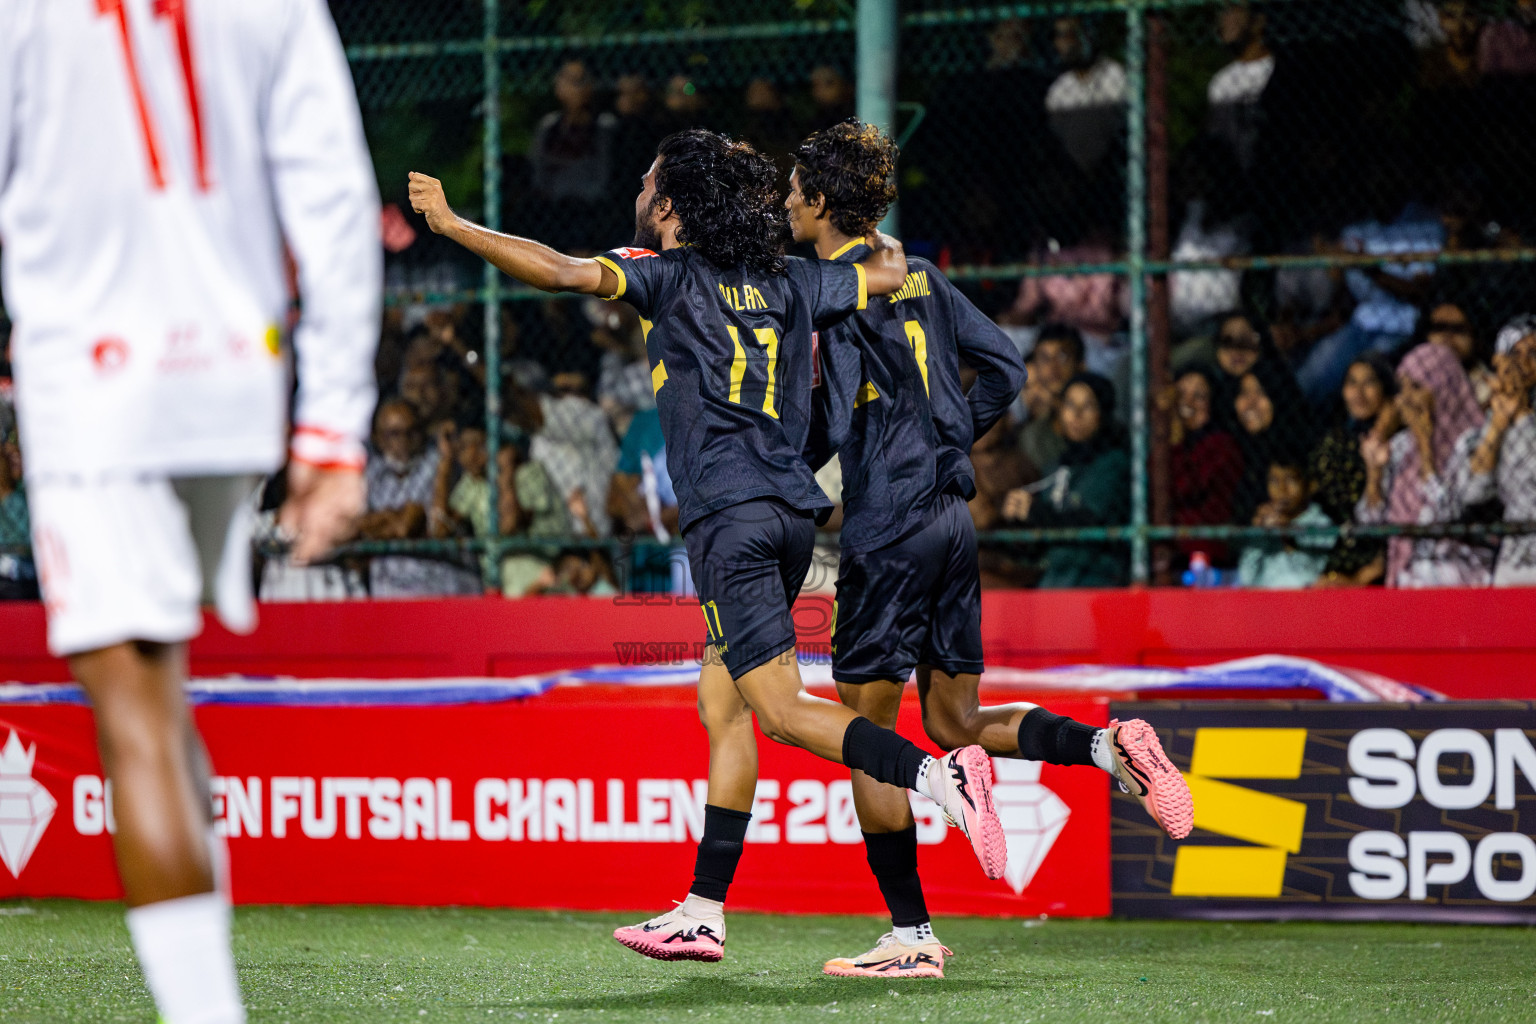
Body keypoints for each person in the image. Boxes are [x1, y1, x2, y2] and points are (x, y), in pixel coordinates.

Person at [409, 128, 1010, 962]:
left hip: (730, 521)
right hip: (792, 516)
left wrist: (452, 225)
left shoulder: (664, 274)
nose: (639, 188)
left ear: (668, 205)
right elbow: (884, 270)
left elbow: (559, 270)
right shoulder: (790, 277)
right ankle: (701, 909)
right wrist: (877, 237)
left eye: (647, 180)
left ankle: (938, 777)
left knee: (781, 710)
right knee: (722, 705)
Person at [0, 1, 380, 1021]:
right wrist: (332, 428)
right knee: (161, 702)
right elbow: (336, 200)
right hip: (233, 382)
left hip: (94, 387)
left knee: (135, 714)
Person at [789, 123, 1189, 977]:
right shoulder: (922, 275)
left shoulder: (830, 289)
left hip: (887, 528)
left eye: (794, 188)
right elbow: (1005, 365)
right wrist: (945, 441)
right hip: (951, 521)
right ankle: (1108, 747)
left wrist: (795, 477)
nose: (786, 200)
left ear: (821, 202)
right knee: (954, 722)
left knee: (866, 736)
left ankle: (911, 936)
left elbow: (826, 417)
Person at [1357, 342, 1493, 587]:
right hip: (1409, 572)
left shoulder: (1473, 443)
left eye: (1417, 387)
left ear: (1443, 389)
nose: (1407, 398)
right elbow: (1370, 522)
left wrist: (1426, 447)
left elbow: (1448, 515)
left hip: (1460, 570)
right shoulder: (1400, 446)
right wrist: (1374, 474)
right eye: (1402, 388)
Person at [1001, 373, 1130, 588]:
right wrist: (1018, 518)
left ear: (1103, 412)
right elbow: (1038, 542)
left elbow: (1088, 522)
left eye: (1088, 406)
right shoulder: (1055, 466)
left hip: (1097, 580)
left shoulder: (1113, 464)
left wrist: (1036, 513)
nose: (1076, 415)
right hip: (1054, 583)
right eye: (1070, 405)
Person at [361, 401, 480, 597]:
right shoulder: (370, 473)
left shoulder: (442, 463)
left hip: (444, 591)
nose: (404, 441)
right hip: (390, 595)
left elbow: (421, 524)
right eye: (394, 434)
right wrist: (398, 521)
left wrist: (383, 523)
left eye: (412, 432)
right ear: (378, 438)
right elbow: (356, 527)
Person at [1452, 317, 1536, 585]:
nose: (1522, 364)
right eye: (1514, 355)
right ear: (1498, 362)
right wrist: (1499, 423)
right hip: (1513, 559)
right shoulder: (1484, 426)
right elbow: (1473, 491)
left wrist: (1522, 412)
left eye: (1533, 354)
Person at [1311, 356, 1396, 587]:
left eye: (1369, 382)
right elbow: (1343, 504)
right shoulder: (1335, 443)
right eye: (1352, 383)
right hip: (1347, 546)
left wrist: (1382, 431)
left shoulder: (1402, 442)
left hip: (1390, 550)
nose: (1358, 393)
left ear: (1386, 390)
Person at [1169, 365, 1244, 568]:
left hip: (1205, 550)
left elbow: (1185, 489)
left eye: (1199, 396)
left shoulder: (1222, 445)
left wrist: (1175, 443)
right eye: (1180, 395)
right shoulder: (1162, 444)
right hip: (1169, 547)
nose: (1187, 403)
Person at [1237, 456, 1332, 589]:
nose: (1281, 489)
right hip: (1263, 597)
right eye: (1274, 481)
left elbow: (1306, 577)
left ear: (1310, 486)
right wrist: (1259, 534)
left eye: (1290, 480)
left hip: (1301, 598)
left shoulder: (1321, 524)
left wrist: (1287, 534)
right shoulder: (1266, 522)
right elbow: (1246, 577)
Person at [1207, 2, 1275, 173]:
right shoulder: (1221, 82)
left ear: (1258, 21)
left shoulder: (1277, 70)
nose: (1225, 18)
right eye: (1223, 11)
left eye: (1233, 9)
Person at [1015, 325, 1087, 476]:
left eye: (1062, 357)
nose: (1052, 367)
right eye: (1044, 358)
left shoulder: (1095, 415)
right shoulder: (1032, 436)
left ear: (1081, 364)